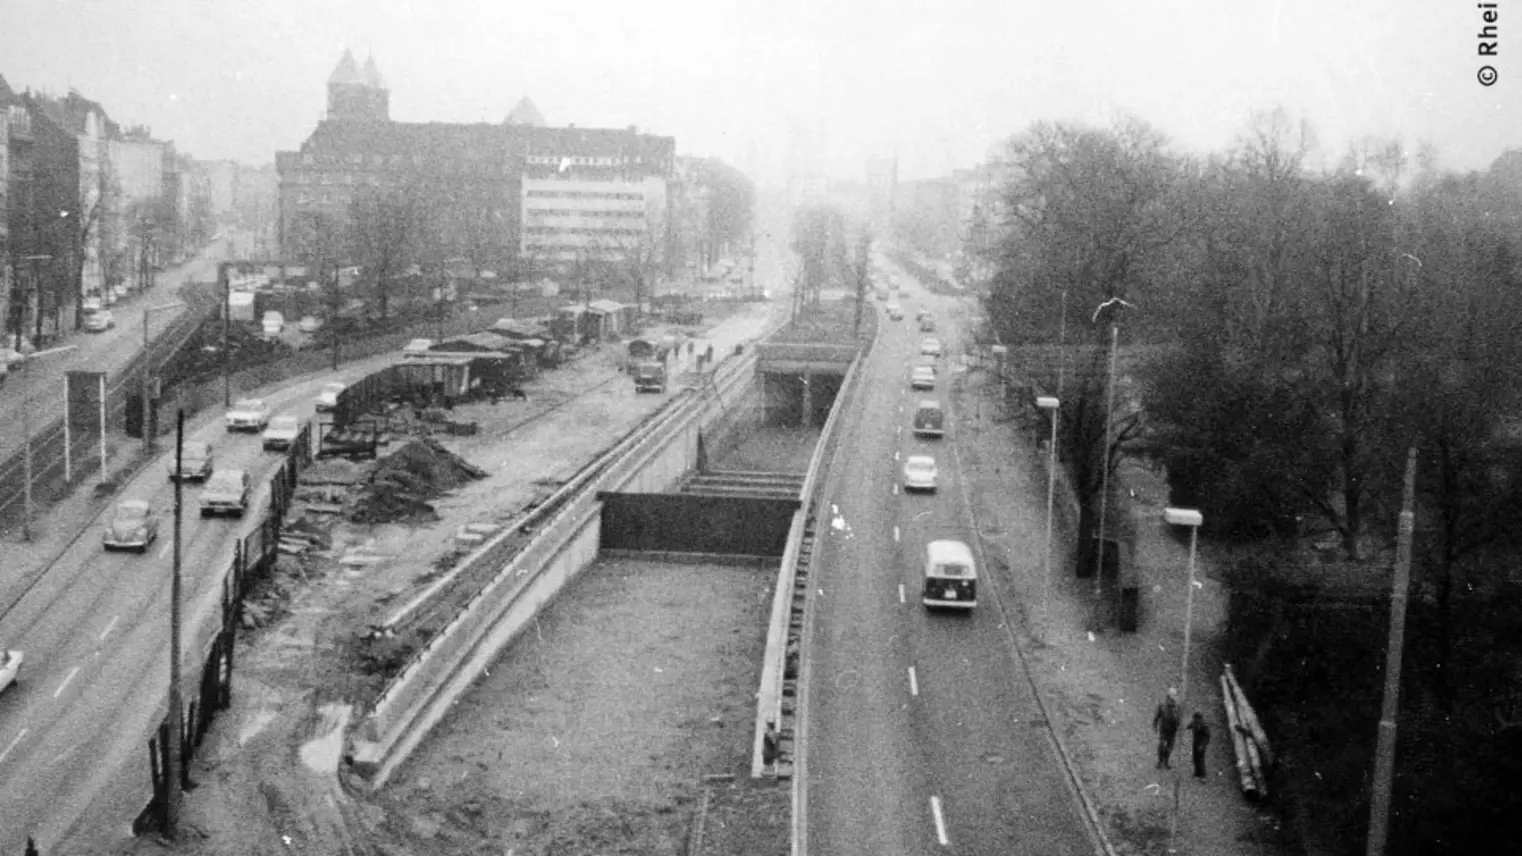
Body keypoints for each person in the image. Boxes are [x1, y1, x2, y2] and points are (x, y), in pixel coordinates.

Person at [1152, 688, 1182, 769]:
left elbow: (1179, 719)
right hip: (1164, 730)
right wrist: (1155, 725)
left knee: (1169, 747)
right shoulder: (1162, 705)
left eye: (1175, 695)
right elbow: (1157, 716)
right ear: (1169, 695)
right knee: (1161, 746)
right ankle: (1160, 761)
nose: (1174, 697)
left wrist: (1178, 725)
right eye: (1173, 695)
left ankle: (1166, 761)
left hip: (1172, 731)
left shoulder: (1177, 707)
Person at [1188, 712, 1211, 779]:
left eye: (1195, 719)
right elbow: (1190, 726)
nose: (1194, 720)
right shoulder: (1195, 722)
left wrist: (1202, 745)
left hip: (1201, 745)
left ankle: (1203, 776)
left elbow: (1208, 737)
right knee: (1195, 758)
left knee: (1201, 760)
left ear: (1200, 718)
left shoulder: (1204, 725)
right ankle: (1197, 773)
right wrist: (1188, 726)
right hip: (1195, 743)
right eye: (1194, 719)